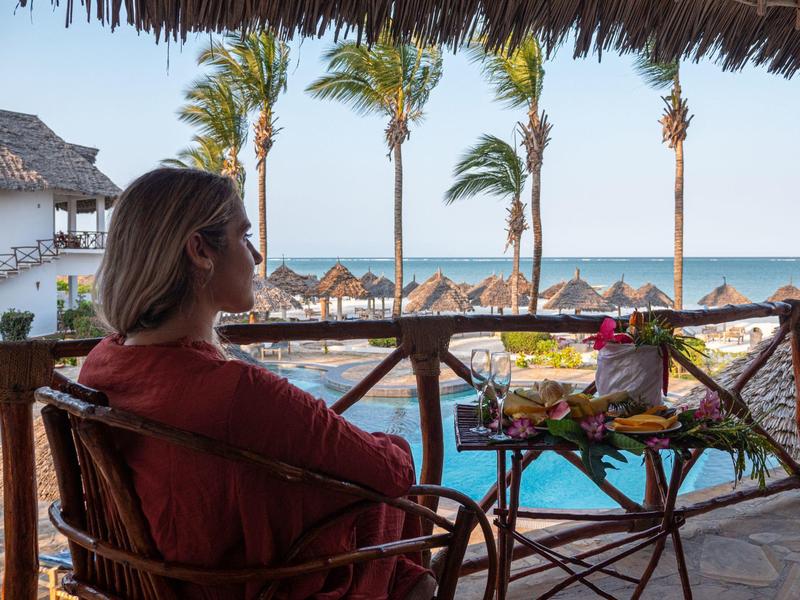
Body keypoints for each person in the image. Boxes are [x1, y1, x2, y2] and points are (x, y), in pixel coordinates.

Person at [79, 168, 435, 599]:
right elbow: (391, 471)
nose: (256, 256)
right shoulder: (234, 392)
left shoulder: (103, 363)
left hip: (157, 582)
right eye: (243, 236)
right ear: (200, 251)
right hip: (247, 588)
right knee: (403, 546)